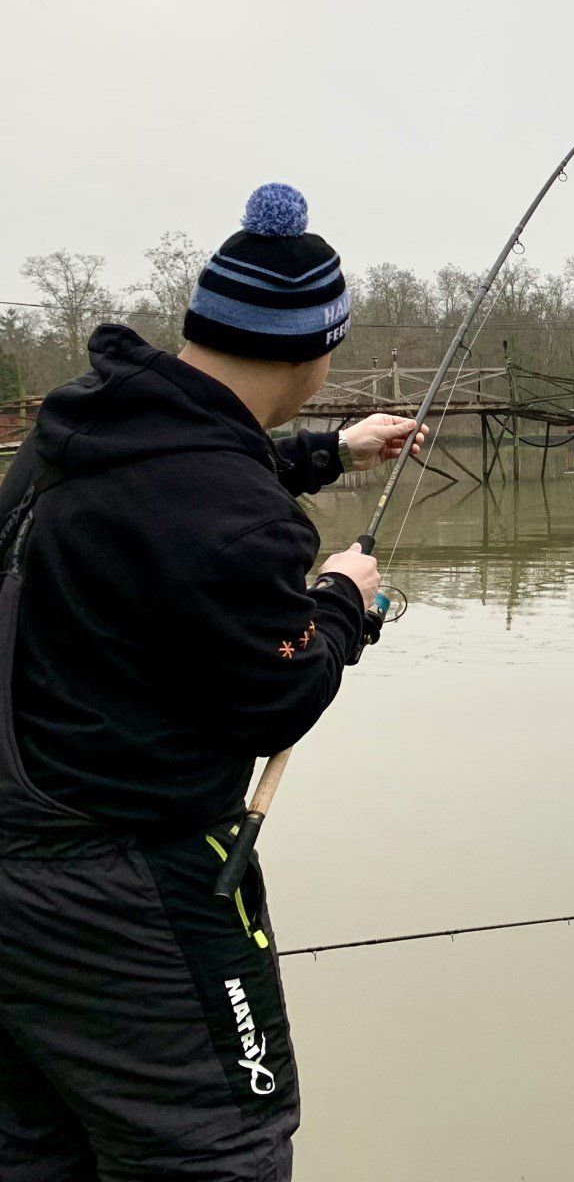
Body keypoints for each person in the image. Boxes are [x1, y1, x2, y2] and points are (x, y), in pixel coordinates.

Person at [0, 183, 423, 1181]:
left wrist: (328, 454)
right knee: (215, 1151)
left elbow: (173, 502)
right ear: (313, 351)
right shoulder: (230, 515)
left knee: (37, 1151)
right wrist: (341, 604)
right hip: (127, 897)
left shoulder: (79, 435)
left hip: (18, 879)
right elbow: (277, 692)